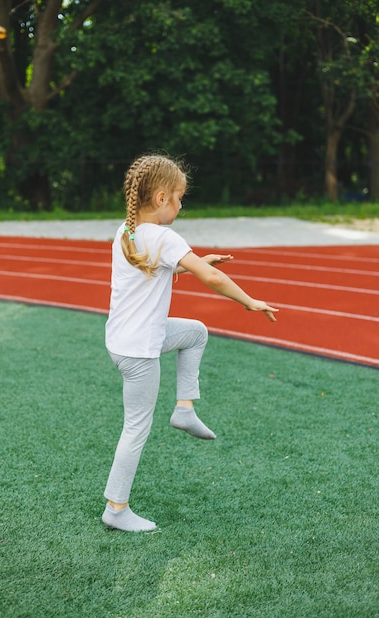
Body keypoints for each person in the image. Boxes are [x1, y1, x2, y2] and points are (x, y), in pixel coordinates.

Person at [102, 154, 278, 532]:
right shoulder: (164, 236)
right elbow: (211, 278)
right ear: (162, 197)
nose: (182, 206)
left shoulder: (128, 231)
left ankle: (184, 407)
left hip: (121, 340)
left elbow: (165, 263)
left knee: (196, 332)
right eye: (181, 198)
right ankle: (116, 509)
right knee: (135, 428)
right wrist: (248, 300)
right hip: (139, 351)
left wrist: (193, 260)